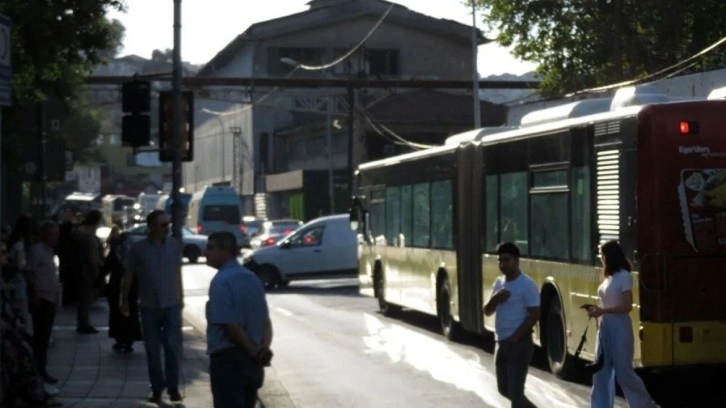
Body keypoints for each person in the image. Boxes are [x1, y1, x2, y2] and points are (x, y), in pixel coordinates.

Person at [586, 241, 659, 408]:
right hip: (605, 328)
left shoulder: (624, 276)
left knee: (624, 372)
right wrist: (597, 309)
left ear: (609, 256)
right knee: (601, 371)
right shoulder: (608, 277)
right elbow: (607, 302)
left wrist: (603, 311)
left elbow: (627, 306)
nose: (601, 258)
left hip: (620, 329)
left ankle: (645, 405)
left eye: (602, 255)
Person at [121, 210, 183, 404]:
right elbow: (129, 274)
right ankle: (156, 387)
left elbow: (177, 271)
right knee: (152, 349)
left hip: (171, 303)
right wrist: (124, 300)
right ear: (152, 227)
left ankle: (173, 386)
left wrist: (181, 296)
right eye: (163, 225)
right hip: (149, 305)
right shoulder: (138, 248)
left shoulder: (173, 245)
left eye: (169, 224)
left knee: (173, 347)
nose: (167, 228)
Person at [205, 231, 273, 408]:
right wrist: (263, 350)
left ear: (225, 251)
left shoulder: (221, 282)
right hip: (253, 364)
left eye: (211, 247)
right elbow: (265, 322)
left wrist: (252, 351)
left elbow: (231, 325)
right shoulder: (252, 278)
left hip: (229, 362)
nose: (206, 252)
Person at [483, 242, 539, 408]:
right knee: (503, 389)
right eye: (500, 261)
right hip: (500, 342)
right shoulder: (499, 283)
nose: (502, 264)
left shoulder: (527, 285)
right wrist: (495, 299)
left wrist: (516, 336)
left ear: (516, 260)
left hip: (519, 344)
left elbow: (535, 313)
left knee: (516, 394)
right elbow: (487, 311)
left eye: (506, 260)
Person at [28, 221, 62, 384]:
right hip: (41, 297)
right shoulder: (37, 251)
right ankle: (38, 368)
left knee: (45, 335)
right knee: (40, 335)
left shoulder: (50, 252)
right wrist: (35, 294)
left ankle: (41, 367)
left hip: (51, 296)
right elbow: (31, 273)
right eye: (52, 235)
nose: (55, 238)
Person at [106, 226, 141, 353]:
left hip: (116, 286)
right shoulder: (132, 255)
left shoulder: (115, 253)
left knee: (117, 312)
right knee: (131, 313)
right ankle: (129, 340)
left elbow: (107, 266)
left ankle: (120, 339)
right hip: (131, 286)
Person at [73, 210, 103, 334]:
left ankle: (83, 321)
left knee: (83, 298)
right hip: (87, 269)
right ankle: (84, 323)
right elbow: (92, 255)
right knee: (86, 297)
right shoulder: (88, 235)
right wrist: (97, 268)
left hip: (80, 267)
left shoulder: (79, 232)